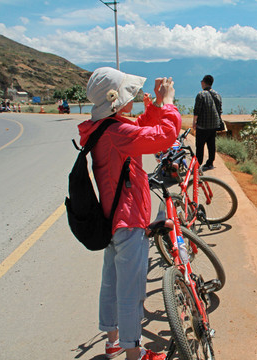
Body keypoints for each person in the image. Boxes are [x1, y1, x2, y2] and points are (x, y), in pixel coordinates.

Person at [78, 67, 181, 360]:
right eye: (128, 95)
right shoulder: (116, 131)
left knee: (111, 284)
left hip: (111, 220)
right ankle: (134, 353)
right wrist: (170, 102)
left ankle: (113, 341)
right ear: (115, 100)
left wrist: (157, 106)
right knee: (131, 291)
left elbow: (140, 128)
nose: (133, 99)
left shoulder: (105, 129)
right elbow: (163, 138)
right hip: (129, 219)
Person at [193, 74, 221, 171]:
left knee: (200, 146)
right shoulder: (217, 95)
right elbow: (219, 110)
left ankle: (198, 164)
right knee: (211, 144)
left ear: (204, 83)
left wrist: (194, 122)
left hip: (202, 126)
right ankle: (210, 163)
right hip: (214, 125)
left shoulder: (201, 95)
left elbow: (197, 110)